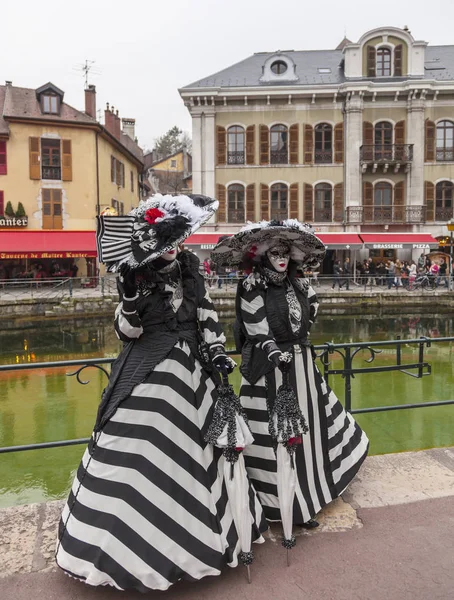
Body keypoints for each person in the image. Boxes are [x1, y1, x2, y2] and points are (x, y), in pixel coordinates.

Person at [55, 194, 266, 592]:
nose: (173, 248)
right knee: (139, 456)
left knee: (204, 454)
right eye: (165, 242)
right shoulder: (134, 274)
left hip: (194, 373)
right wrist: (130, 299)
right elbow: (127, 332)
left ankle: (204, 538)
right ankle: (131, 549)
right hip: (147, 371)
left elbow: (206, 315)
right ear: (152, 243)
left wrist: (218, 352)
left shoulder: (191, 270)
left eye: (177, 240)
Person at [211, 220, 369, 530]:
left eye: (286, 252)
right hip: (267, 367)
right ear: (262, 255)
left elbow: (312, 309)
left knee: (309, 431)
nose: (282, 258)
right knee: (274, 436)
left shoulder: (300, 284)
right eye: (275, 253)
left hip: (300, 363)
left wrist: (298, 339)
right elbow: (254, 323)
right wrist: (272, 348)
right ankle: (280, 505)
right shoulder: (251, 285)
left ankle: (308, 498)